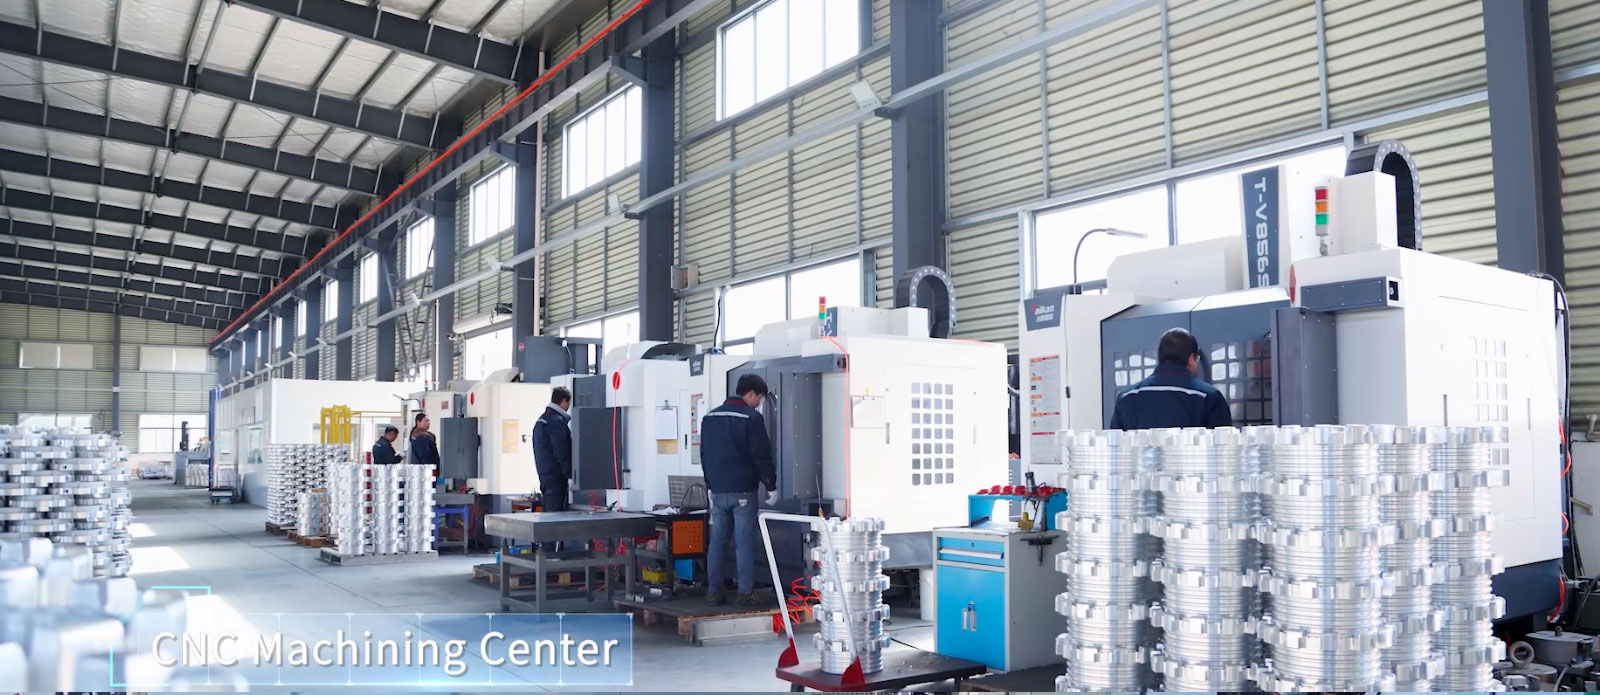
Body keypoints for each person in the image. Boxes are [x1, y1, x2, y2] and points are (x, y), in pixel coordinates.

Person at [698, 374, 778, 607]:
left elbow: (704, 455)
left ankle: (714, 592)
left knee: (717, 541)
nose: (758, 404)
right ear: (750, 393)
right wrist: (771, 485)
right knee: (744, 542)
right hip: (743, 492)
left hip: (717, 491)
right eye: (759, 398)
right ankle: (745, 593)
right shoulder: (751, 418)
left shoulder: (709, 417)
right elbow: (761, 456)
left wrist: (710, 484)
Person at [1109, 327, 1233, 430]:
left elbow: (1116, 445)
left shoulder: (1126, 396)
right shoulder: (1208, 396)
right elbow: (1223, 446)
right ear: (1191, 358)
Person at [532, 387, 573, 513]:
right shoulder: (556, 422)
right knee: (556, 514)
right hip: (556, 476)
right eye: (568, 403)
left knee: (548, 512)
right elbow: (561, 450)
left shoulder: (542, 420)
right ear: (564, 401)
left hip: (544, 474)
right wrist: (570, 473)